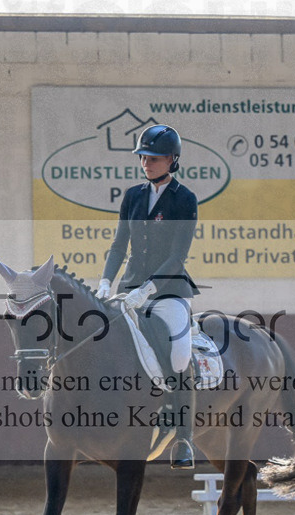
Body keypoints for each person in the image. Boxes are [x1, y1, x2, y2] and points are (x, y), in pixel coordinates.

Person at [96, 124, 200, 469]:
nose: (146, 163)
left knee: (179, 356)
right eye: (143, 157)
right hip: (129, 289)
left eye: (153, 158)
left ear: (172, 160)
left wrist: (148, 290)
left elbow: (177, 256)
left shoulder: (185, 199)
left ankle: (183, 438)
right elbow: (118, 245)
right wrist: (106, 282)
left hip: (169, 291)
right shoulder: (133, 196)